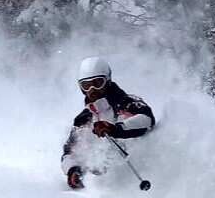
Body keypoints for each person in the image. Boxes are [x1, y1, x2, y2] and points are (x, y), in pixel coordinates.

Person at [61, 57, 156, 190]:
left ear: (108, 81)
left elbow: (147, 119)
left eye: (98, 83)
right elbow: (70, 152)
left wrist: (116, 129)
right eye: (86, 85)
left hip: (140, 172)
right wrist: (73, 170)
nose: (92, 90)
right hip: (106, 188)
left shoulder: (125, 102)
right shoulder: (84, 119)